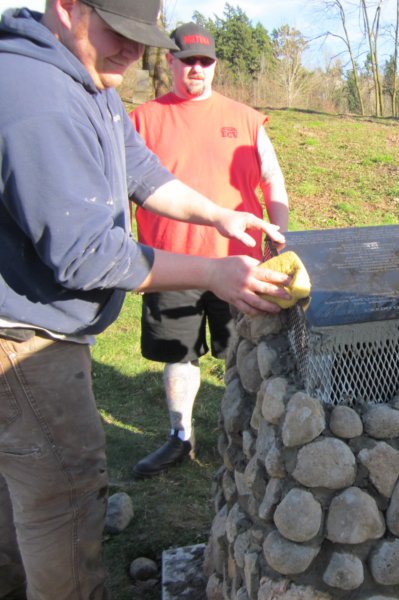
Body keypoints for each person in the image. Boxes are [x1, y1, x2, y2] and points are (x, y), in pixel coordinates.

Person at [0, 1, 292, 598]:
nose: (133, 53)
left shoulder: (87, 75)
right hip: (19, 340)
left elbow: (144, 173)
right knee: (63, 492)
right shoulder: (34, 94)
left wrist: (218, 214)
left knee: (19, 487)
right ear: (67, 7)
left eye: (142, 39)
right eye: (119, 33)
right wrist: (213, 271)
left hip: (47, 328)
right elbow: (86, 253)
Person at [128, 23, 290, 478]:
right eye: (187, 60)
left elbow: (272, 179)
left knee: (241, 351)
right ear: (171, 62)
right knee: (177, 355)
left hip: (238, 261)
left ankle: (251, 433)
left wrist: (279, 230)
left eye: (205, 61)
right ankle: (181, 436)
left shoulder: (245, 118)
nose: (196, 68)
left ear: (215, 64)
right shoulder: (141, 119)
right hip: (170, 261)